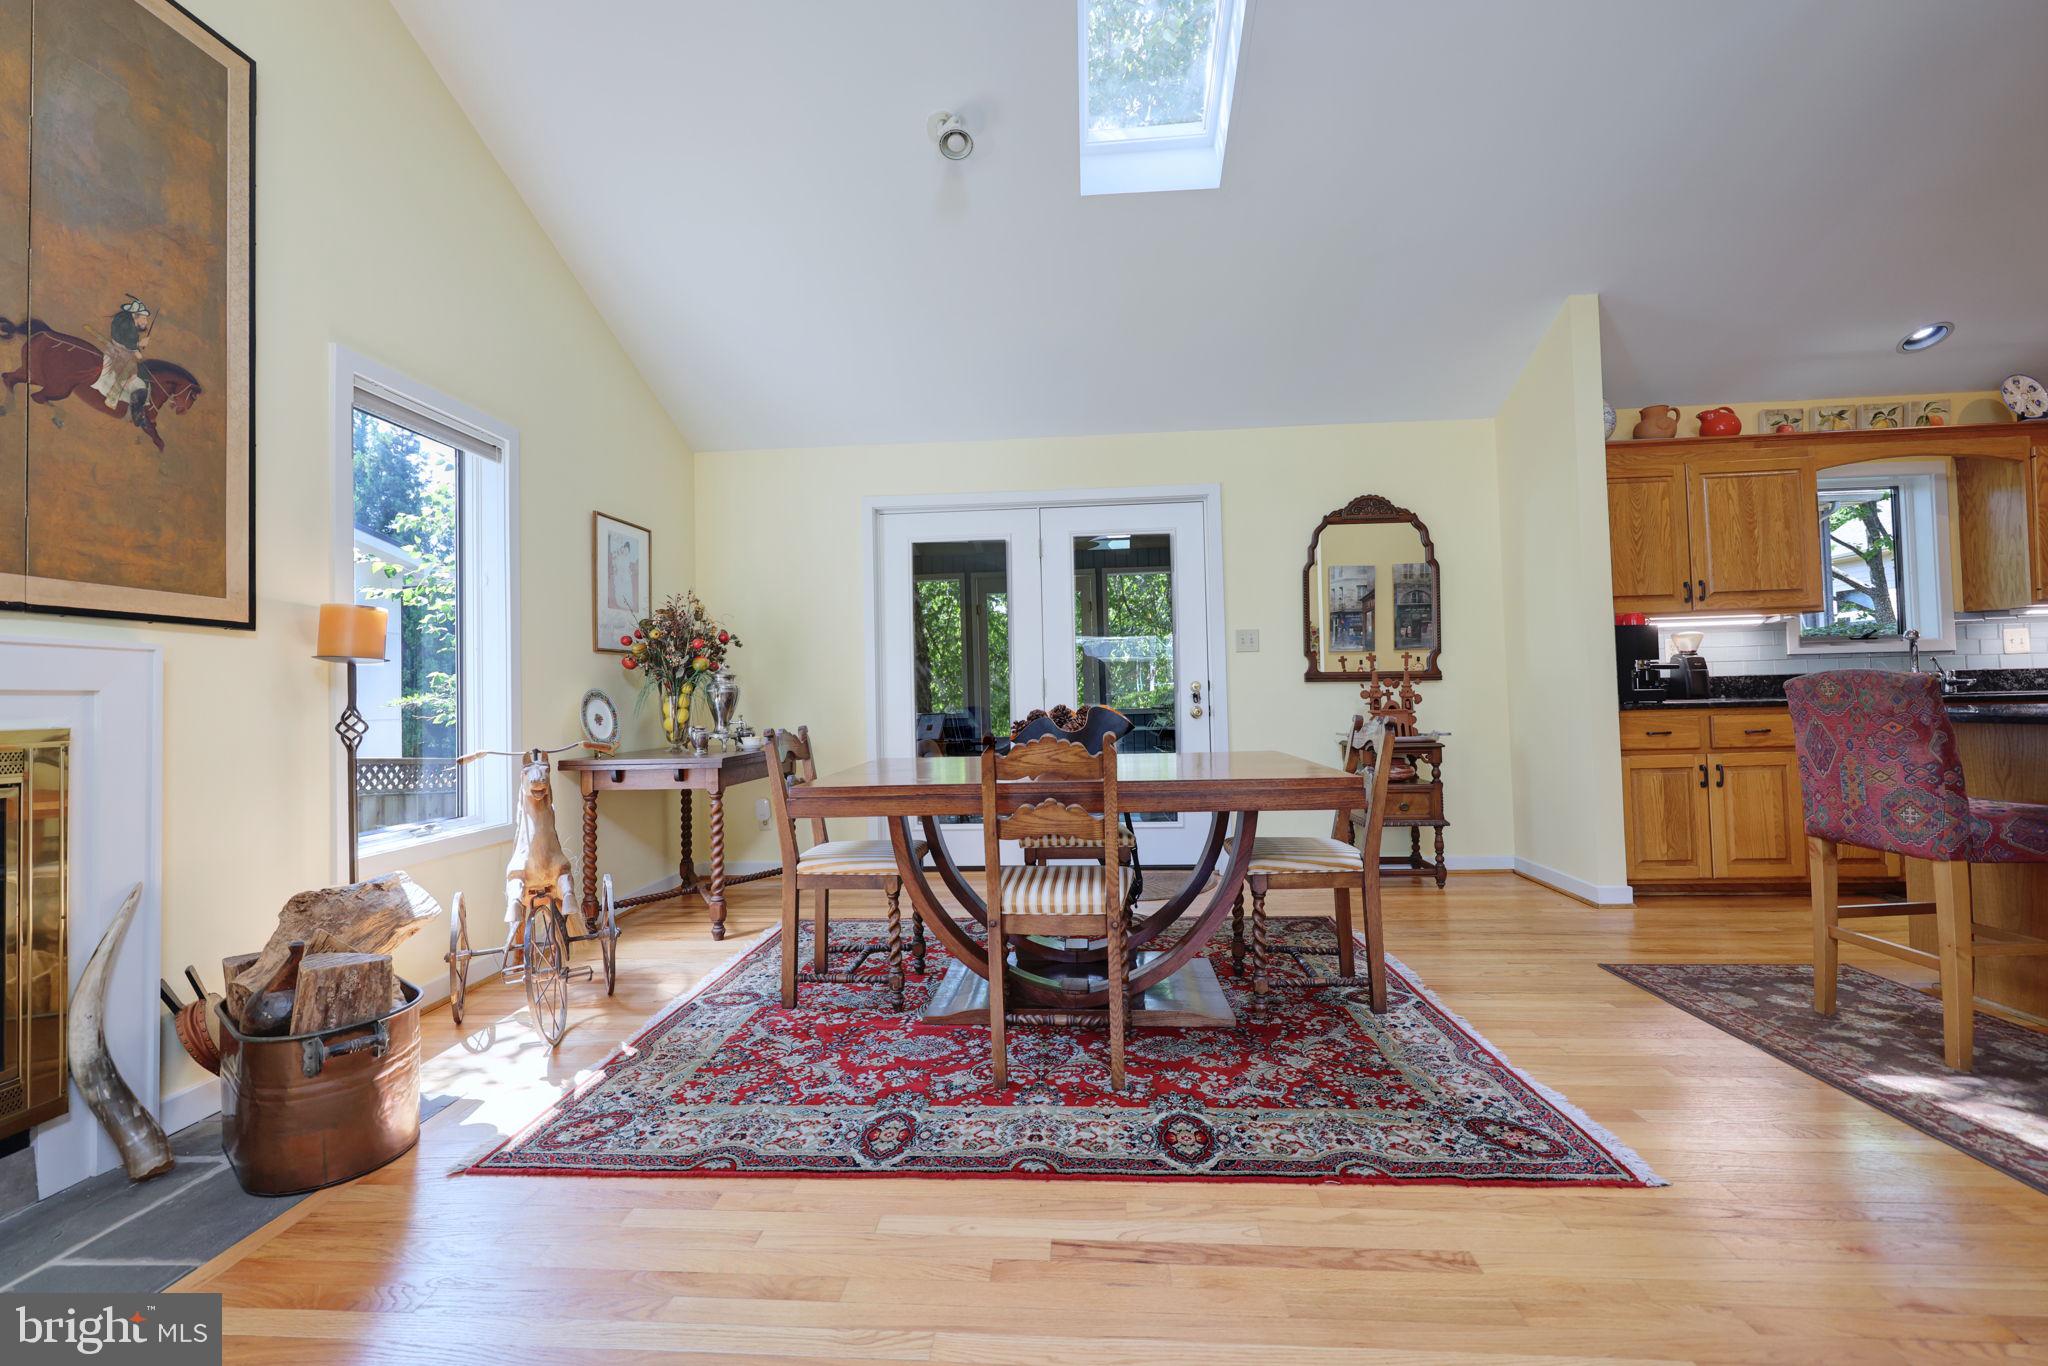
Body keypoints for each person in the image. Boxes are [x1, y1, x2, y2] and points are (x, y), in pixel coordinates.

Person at [91, 296, 154, 428]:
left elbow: (128, 340)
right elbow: (128, 341)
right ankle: (129, 409)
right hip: (121, 353)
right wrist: (138, 344)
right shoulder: (128, 325)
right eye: (143, 318)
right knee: (137, 378)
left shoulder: (125, 319)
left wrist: (136, 347)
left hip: (119, 349)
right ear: (135, 316)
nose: (145, 321)